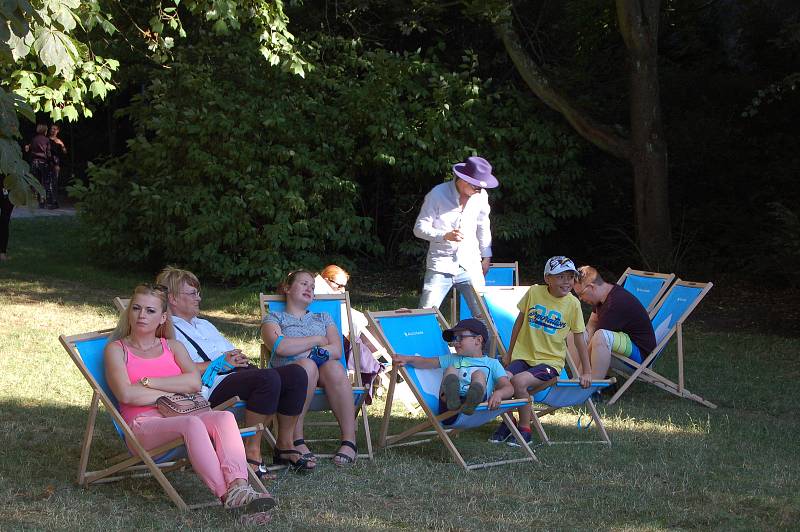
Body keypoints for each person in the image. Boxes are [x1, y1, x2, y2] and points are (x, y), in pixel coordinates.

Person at [104, 284, 274, 523]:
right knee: (193, 424)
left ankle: (239, 486)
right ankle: (228, 497)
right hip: (144, 425)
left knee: (224, 418)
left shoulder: (172, 347)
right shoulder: (116, 350)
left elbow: (194, 383)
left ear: (163, 317)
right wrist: (172, 389)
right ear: (129, 312)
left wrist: (149, 383)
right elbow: (127, 396)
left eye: (150, 311)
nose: (142, 315)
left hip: (181, 412)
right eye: (137, 308)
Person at [156, 267, 313, 475]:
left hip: (237, 375)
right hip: (209, 386)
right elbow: (174, 370)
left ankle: (284, 444)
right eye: (193, 293)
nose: (199, 298)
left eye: (198, 293)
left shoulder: (204, 324)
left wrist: (236, 358)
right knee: (267, 379)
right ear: (173, 299)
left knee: (296, 375)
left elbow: (228, 351)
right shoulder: (166, 330)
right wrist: (219, 363)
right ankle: (251, 452)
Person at [489, 256, 592, 447]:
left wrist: (586, 371)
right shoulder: (534, 292)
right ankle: (508, 422)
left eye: (570, 277)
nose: (567, 281)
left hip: (549, 363)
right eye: (560, 277)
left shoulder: (573, 304)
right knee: (500, 378)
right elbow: (519, 322)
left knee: (519, 381)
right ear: (548, 278)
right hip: (523, 356)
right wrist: (510, 353)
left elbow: (579, 338)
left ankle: (525, 429)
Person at [261, 269, 359, 466]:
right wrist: (316, 340)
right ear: (287, 288)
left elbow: (336, 350)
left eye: (312, 287)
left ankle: (349, 440)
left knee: (334, 368)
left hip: (321, 373)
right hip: (287, 376)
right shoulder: (273, 318)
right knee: (306, 366)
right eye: (304, 284)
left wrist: (303, 350)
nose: (310, 288)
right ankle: (296, 438)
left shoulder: (323, 317)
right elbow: (281, 346)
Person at [413, 156, 499, 318]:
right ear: (464, 180)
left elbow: (483, 225)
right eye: (477, 188)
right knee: (425, 314)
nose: (479, 191)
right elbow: (419, 229)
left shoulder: (481, 196)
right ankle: (424, 342)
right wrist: (444, 235)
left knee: (483, 316)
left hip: (470, 264)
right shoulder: (437, 194)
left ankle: (488, 344)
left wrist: (486, 255)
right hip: (440, 264)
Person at [391, 318, 513, 423]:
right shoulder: (452, 359)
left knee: (479, 374)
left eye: (460, 338)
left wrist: (498, 394)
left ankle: (473, 397)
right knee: (451, 369)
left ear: (478, 340)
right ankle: (451, 396)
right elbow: (425, 362)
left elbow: (509, 388)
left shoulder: (493, 364)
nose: (455, 343)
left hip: (476, 409)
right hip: (448, 410)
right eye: (454, 339)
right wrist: (407, 358)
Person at [571, 266, 657, 379]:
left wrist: (582, 372)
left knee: (600, 336)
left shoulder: (614, 305)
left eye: (580, 294)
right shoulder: (603, 296)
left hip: (640, 356)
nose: (580, 299)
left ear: (591, 287)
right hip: (623, 344)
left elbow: (593, 344)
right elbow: (591, 325)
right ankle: (579, 379)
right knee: (575, 335)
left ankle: (592, 386)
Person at [314, 264, 385, 398]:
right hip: (344, 342)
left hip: (355, 334)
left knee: (383, 324)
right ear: (325, 280)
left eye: (344, 286)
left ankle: (389, 369)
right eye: (339, 285)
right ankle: (387, 369)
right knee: (382, 327)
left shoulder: (335, 299)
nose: (342, 290)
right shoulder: (321, 297)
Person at [26, 125, 52, 208]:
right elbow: (48, 153)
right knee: (44, 182)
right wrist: (51, 161)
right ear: (45, 131)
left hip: (34, 162)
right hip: (43, 162)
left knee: (35, 182)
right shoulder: (47, 140)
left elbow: (30, 150)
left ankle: (34, 200)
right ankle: (43, 200)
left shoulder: (34, 139)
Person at [47, 124, 66, 209]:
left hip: (56, 163)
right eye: (52, 129)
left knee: (54, 182)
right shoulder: (46, 139)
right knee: (47, 181)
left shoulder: (59, 141)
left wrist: (62, 145)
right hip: (47, 162)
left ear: (58, 131)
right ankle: (47, 201)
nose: (53, 130)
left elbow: (65, 152)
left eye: (55, 129)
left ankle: (54, 201)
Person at [1, 187, 12, 261]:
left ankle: (2, 253)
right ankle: (2, 253)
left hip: (7, 190)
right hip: (6, 190)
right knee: (4, 222)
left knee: (4, 222)